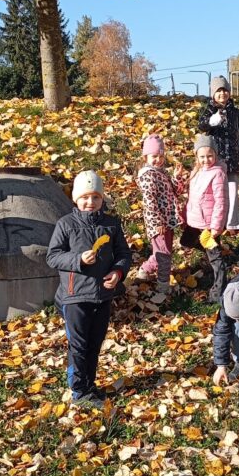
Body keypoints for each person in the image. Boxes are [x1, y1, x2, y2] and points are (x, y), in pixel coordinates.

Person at [46, 170, 131, 409]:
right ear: (75, 198)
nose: (90, 202)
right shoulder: (66, 224)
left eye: (95, 197)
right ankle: (78, 390)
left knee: (95, 342)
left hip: (102, 295)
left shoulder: (111, 224)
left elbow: (123, 254)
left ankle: (89, 385)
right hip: (75, 296)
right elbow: (53, 256)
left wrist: (118, 273)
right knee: (79, 345)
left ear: (102, 199)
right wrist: (78, 260)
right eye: (84, 197)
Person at [198, 75, 239, 231]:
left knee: (233, 191)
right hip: (216, 159)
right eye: (219, 91)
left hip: (233, 158)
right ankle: (216, 222)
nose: (222, 94)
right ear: (213, 94)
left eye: (225, 90)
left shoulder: (235, 112)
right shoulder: (209, 110)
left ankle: (233, 223)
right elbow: (201, 126)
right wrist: (211, 121)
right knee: (217, 193)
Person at [134, 134, 183, 301]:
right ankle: (163, 285)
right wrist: (158, 222)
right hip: (159, 223)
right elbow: (150, 201)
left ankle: (144, 270)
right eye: (154, 156)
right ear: (145, 157)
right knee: (164, 255)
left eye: (161, 156)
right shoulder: (148, 175)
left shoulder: (161, 172)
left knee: (161, 251)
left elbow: (176, 191)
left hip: (167, 220)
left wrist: (177, 176)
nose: (158, 160)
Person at [180, 134, 228, 303]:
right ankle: (210, 257)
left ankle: (218, 291)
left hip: (209, 224)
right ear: (197, 157)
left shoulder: (218, 173)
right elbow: (192, 197)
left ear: (215, 154)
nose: (206, 160)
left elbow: (221, 202)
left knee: (216, 258)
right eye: (202, 156)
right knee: (185, 241)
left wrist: (216, 226)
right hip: (195, 220)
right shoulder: (197, 171)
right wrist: (185, 215)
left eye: (210, 156)